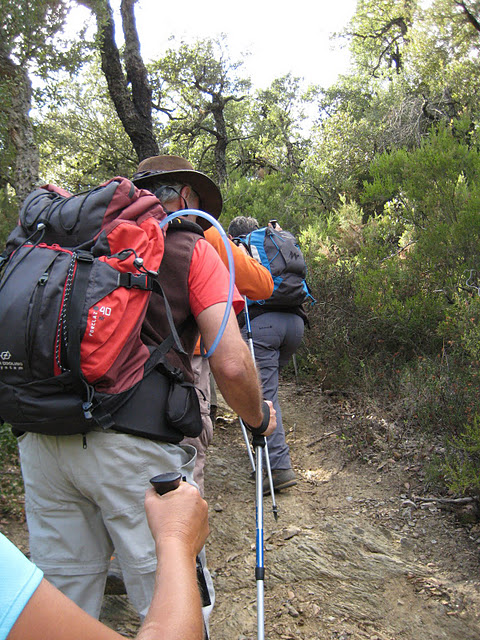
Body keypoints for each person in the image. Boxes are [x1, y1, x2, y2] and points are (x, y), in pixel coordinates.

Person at [17, 155, 276, 629]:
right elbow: (233, 363)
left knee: (60, 606)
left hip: (41, 438)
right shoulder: (190, 247)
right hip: (135, 450)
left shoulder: (74, 243)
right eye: (197, 202)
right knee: (169, 596)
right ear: (184, 197)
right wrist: (258, 418)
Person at [1, 481, 209, 640]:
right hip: (134, 442)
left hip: (40, 448)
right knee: (155, 584)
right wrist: (177, 539)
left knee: (67, 586)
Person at [183, 224, 274, 494]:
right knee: (185, 450)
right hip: (192, 353)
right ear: (186, 195)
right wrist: (256, 418)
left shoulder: (118, 228)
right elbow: (263, 284)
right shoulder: (205, 235)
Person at [228, 216, 309, 494]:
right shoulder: (275, 243)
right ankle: (265, 448)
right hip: (295, 326)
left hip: (264, 327)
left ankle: (278, 468)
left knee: (263, 395)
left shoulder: (239, 249)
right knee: (266, 388)